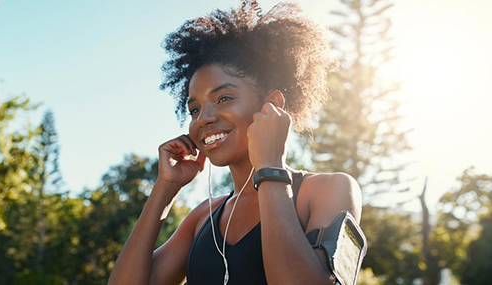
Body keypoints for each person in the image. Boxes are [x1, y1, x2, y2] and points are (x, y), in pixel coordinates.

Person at [109, 1, 362, 284]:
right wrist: (164, 189)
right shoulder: (203, 217)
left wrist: (269, 166)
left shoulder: (328, 191)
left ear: (272, 105)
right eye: (194, 109)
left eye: (224, 98)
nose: (203, 119)